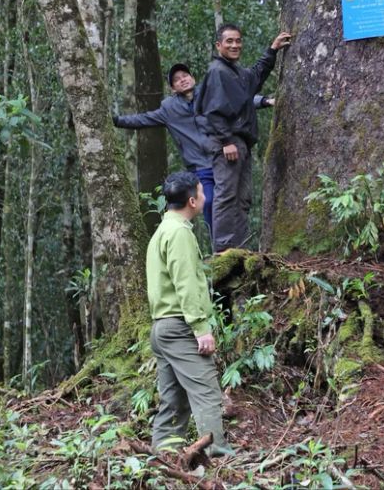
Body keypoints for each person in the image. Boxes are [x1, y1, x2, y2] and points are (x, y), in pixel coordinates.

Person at [113, 63, 273, 241]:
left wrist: (264, 101)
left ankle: (239, 245)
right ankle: (220, 248)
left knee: (235, 203)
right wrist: (115, 120)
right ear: (173, 88)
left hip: (222, 159)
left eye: (185, 76)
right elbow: (142, 119)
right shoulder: (169, 109)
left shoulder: (209, 95)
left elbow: (237, 101)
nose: (182, 80)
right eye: (177, 79)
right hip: (200, 166)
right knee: (210, 202)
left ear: (193, 78)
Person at [147, 171, 233, 456]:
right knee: (206, 390)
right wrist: (201, 327)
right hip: (180, 326)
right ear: (192, 201)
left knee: (173, 398)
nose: (206, 197)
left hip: (162, 327)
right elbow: (185, 283)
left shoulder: (162, 230)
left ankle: (164, 456)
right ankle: (217, 454)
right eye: (202, 193)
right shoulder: (180, 233)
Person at [195, 24, 291, 253]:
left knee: (242, 197)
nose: (234, 45)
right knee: (227, 195)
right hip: (227, 143)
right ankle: (223, 250)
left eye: (238, 40)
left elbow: (254, 77)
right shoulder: (217, 71)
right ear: (219, 45)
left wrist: (273, 50)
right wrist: (226, 140)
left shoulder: (235, 72)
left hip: (241, 143)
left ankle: (240, 248)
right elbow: (213, 110)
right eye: (229, 41)